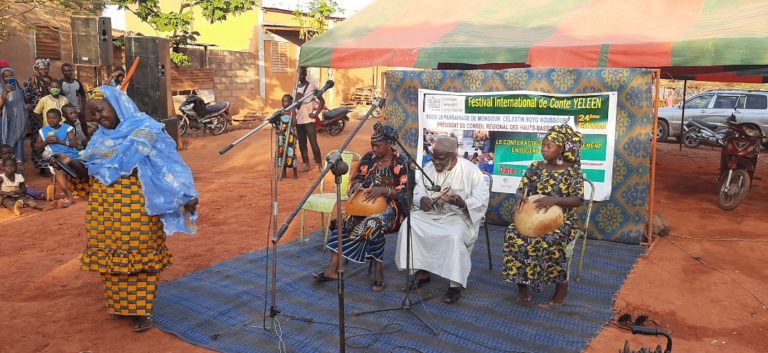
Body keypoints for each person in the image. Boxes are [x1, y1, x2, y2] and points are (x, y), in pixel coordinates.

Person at [77, 86, 199, 332]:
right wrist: (68, 161)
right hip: (103, 206)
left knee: (140, 253)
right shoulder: (99, 137)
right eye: (93, 114)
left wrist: (185, 193)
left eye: (100, 110)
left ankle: (142, 310)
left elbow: (169, 164)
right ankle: (120, 306)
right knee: (109, 255)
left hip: (137, 204)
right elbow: (90, 167)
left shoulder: (146, 130)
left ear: (117, 105)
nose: (97, 117)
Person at [313, 123, 407, 292]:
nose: (374, 149)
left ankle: (378, 271)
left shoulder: (400, 162)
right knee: (342, 219)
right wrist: (356, 185)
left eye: (378, 146)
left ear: (389, 144)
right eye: (372, 146)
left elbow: (405, 192)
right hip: (363, 205)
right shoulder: (369, 158)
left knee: (373, 224)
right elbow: (357, 178)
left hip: (391, 208)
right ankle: (333, 269)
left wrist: (383, 190)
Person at [394, 136, 489, 304]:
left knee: (454, 236)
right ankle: (422, 272)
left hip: (457, 216)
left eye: (441, 159)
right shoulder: (428, 168)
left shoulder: (471, 171)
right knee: (409, 226)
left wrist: (463, 203)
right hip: (431, 214)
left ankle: (455, 284)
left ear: (453, 156)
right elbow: (418, 192)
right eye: (434, 157)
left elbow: (481, 198)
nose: (436, 162)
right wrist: (422, 200)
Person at [502, 123, 584, 307]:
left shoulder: (572, 171)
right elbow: (521, 188)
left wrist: (554, 200)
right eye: (543, 146)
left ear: (561, 149)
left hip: (562, 221)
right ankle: (522, 286)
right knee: (513, 235)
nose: (544, 149)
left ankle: (561, 289)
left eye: (549, 146)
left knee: (550, 240)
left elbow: (578, 200)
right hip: (532, 217)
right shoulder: (535, 167)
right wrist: (520, 197)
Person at [35, 108, 81, 207]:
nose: (51, 120)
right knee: (58, 167)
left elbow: (75, 144)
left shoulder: (67, 128)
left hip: (71, 154)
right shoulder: (43, 131)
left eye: (54, 118)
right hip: (55, 156)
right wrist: (45, 142)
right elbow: (37, 147)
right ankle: (70, 197)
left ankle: (65, 160)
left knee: (59, 164)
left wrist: (58, 141)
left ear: (60, 119)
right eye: (49, 118)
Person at [294, 67, 324, 172]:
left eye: (302, 74)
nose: (300, 76)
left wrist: (316, 113)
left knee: (313, 143)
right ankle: (306, 164)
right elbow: (293, 105)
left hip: (309, 121)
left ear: (305, 74)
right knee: (302, 144)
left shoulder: (312, 86)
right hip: (299, 121)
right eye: (298, 74)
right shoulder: (295, 88)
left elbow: (322, 101)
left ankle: (319, 164)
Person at [0, 67, 28, 163]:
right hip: (6, 119)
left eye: (10, 75)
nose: (8, 78)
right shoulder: (1, 88)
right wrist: (5, 92)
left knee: (19, 137)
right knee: (6, 137)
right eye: (5, 76)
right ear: (2, 78)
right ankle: (6, 160)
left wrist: (26, 105)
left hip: (19, 118)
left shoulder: (17, 87)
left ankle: (18, 158)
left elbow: (22, 100)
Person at [273, 94, 298, 179]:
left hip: (290, 137)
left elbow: (294, 123)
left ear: (290, 103)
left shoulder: (292, 112)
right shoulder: (280, 112)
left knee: (291, 153)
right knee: (281, 153)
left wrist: (293, 110)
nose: (284, 103)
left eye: (286, 101)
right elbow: (276, 123)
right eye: (283, 101)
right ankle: (283, 173)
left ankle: (295, 173)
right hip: (281, 137)